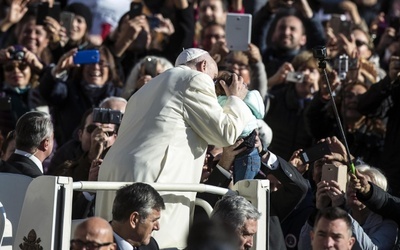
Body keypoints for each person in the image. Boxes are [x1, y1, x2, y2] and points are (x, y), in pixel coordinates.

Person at [96, 48, 253, 248]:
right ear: (203, 66)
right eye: (214, 79)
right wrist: (236, 99)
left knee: (110, 243)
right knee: (155, 242)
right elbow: (225, 134)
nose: (213, 88)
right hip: (153, 177)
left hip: (115, 172)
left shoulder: (147, 87)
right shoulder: (194, 78)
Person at [110, 183, 165, 250]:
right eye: (153, 220)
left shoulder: (150, 246)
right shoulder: (99, 245)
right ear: (134, 219)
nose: (157, 227)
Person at [0, 111, 54, 177]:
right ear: (46, 144)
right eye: (52, 138)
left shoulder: (3, 170)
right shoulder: (38, 181)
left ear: (15, 136)